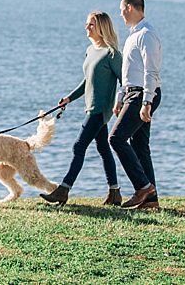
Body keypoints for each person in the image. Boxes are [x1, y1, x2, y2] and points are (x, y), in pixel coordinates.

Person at [40, 11, 123, 207]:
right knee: (103, 148)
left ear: (102, 28)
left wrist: (119, 103)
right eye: (87, 24)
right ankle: (115, 192)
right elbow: (88, 81)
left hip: (100, 110)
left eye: (91, 25)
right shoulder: (91, 50)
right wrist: (69, 97)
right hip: (90, 107)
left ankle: (64, 189)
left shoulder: (112, 54)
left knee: (79, 146)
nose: (87, 28)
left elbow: (124, 82)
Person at [109, 0, 162, 209]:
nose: (120, 14)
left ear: (130, 7)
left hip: (143, 94)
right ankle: (151, 200)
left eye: (122, 10)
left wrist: (147, 102)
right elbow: (129, 71)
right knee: (140, 146)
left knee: (116, 138)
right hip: (133, 93)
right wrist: (120, 97)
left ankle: (143, 187)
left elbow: (151, 71)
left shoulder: (146, 34)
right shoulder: (134, 34)